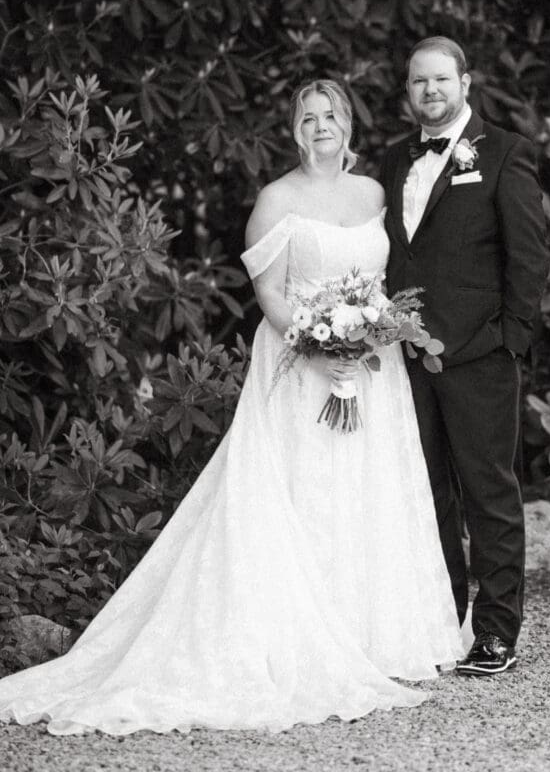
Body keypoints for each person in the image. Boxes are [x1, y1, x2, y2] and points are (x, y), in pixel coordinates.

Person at [0, 79, 463, 736]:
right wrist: (316, 346)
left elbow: (380, 284)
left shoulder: (372, 195)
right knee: (306, 494)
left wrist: (375, 333)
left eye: (331, 114)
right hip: (301, 368)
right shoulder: (275, 201)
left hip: (371, 371)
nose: (320, 125)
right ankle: (296, 638)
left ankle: (372, 636)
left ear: (349, 125)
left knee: (368, 491)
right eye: (308, 116)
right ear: (294, 128)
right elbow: (272, 295)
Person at [380, 37, 548, 676]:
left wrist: (510, 338)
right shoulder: (395, 161)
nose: (430, 91)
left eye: (441, 80)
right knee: (427, 497)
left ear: (466, 83)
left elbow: (528, 257)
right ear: (407, 92)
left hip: (480, 354)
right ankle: (443, 622)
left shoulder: (506, 154)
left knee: (489, 494)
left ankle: (498, 633)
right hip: (403, 360)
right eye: (419, 81)